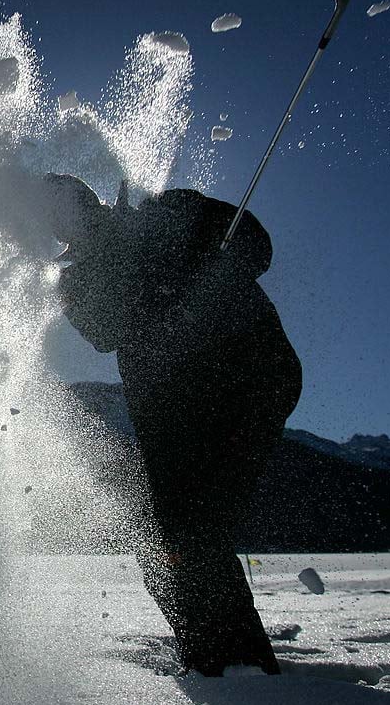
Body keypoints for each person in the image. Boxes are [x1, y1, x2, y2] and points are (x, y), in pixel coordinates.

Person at [44, 174, 302, 676]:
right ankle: (216, 661)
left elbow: (256, 243)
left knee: (190, 531)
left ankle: (236, 673)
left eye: (71, 207)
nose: (70, 224)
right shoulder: (78, 283)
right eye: (56, 221)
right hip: (176, 416)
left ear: (89, 201)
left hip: (251, 374)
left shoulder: (169, 210)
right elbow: (106, 329)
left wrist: (218, 258)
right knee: (161, 535)